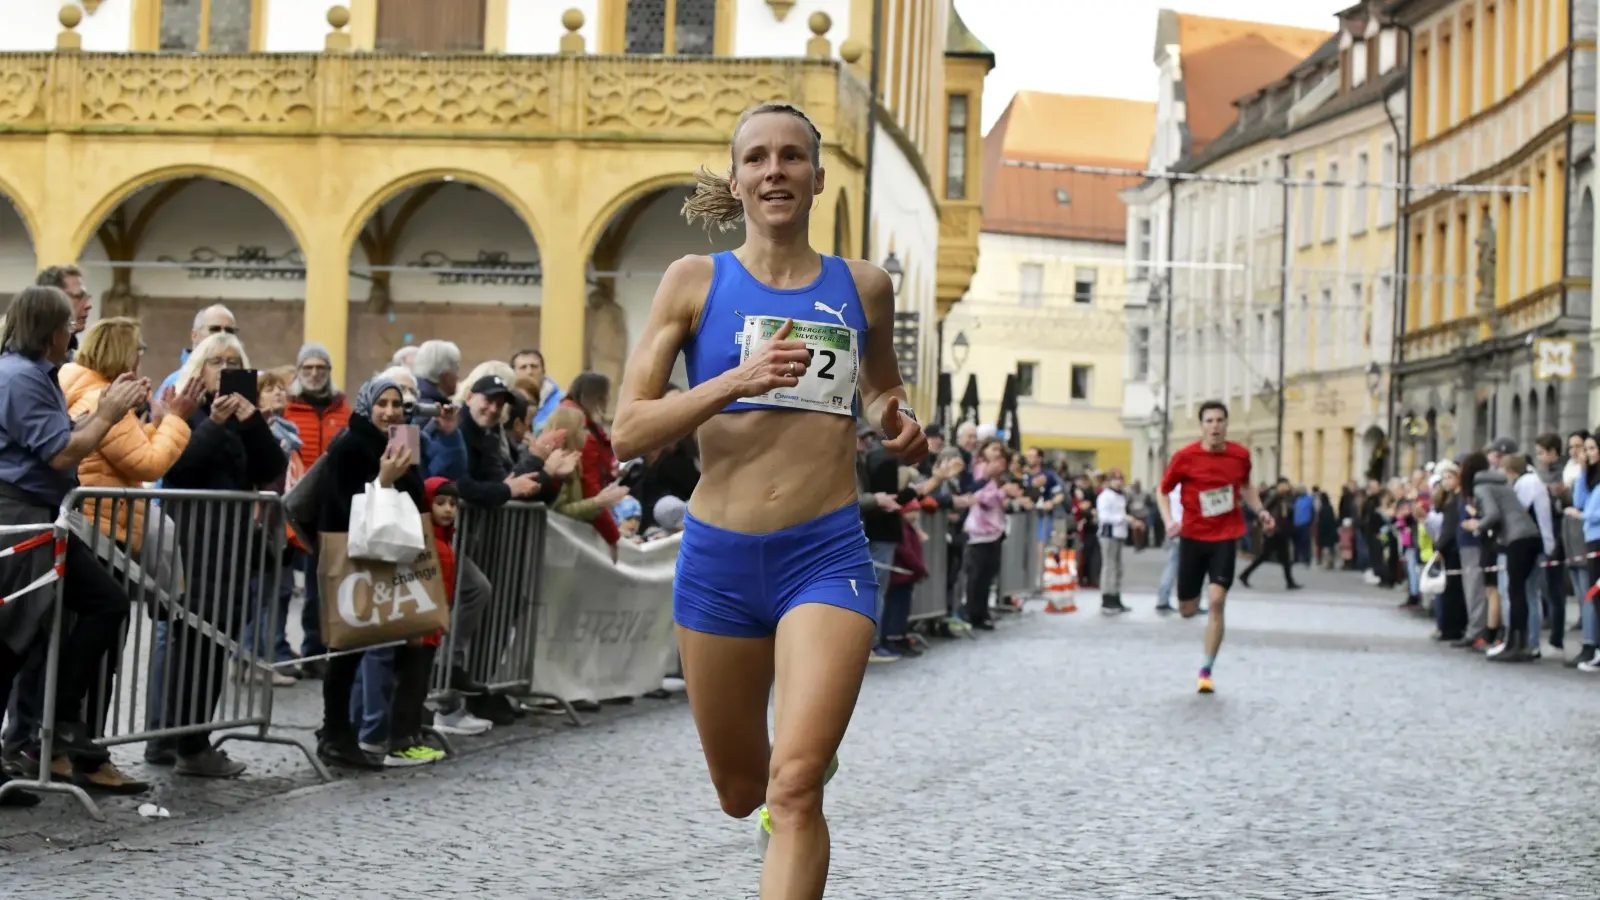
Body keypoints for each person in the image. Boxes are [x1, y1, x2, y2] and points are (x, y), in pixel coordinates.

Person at [609, 103, 927, 898]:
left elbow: (881, 386)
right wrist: (735, 382)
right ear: (738, 178)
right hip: (718, 559)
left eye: (792, 157)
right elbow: (627, 431)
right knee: (742, 791)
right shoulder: (694, 282)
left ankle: (805, 764)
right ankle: (790, 769)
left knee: (794, 790)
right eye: (757, 158)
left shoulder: (863, 287)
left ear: (818, 178)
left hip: (825, 556)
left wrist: (896, 420)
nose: (775, 170)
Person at [0, 287, 147, 806]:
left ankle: (57, 717)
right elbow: (62, 453)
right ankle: (37, 732)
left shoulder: (33, 376)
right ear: (51, 329)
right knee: (15, 636)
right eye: (69, 324)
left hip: (41, 517)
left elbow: (64, 437)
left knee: (103, 602)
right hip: (20, 517)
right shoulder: (19, 378)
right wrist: (106, 413)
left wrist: (105, 413)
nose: (75, 334)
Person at [312, 376, 441, 768]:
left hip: (382, 554)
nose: (389, 411)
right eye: (382, 403)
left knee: (364, 644)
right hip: (351, 555)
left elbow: (418, 496)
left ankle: (345, 732)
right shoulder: (350, 444)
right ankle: (335, 733)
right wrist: (382, 480)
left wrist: (401, 468)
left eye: (396, 404)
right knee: (346, 646)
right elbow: (343, 503)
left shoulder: (398, 441)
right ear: (367, 405)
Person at [1157, 401, 1274, 694]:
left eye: (1220, 420)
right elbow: (1163, 490)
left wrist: (1261, 511)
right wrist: (1170, 520)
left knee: (1218, 600)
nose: (1215, 426)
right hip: (1193, 538)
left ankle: (1206, 670)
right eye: (1209, 421)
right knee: (1187, 609)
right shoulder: (1185, 457)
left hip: (1225, 536)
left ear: (1226, 424)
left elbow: (1246, 486)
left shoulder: (1240, 456)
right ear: (1202, 426)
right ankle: (1194, 608)